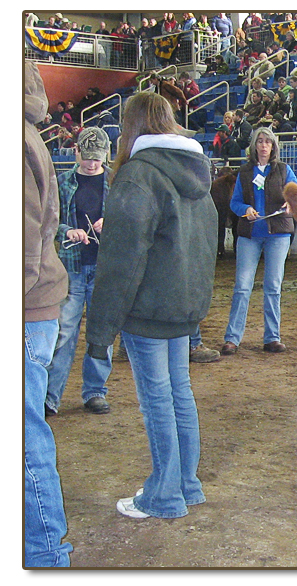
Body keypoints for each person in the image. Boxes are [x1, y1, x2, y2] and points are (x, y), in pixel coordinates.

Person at [84, 91, 216, 519]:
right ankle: (186, 485)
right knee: (179, 393)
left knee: (158, 399)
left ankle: (164, 496)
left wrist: (100, 332)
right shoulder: (196, 173)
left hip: (147, 310)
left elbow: (120, 262)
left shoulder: (138, 176)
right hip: (182, 308)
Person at [24, 61, 74, 567]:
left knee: (22, 434)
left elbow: (20, 245)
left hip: (25, 307)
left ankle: (43, 551)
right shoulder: (28, 137)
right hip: (35, 304)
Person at [44, 127, 113, 417]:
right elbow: (50, 221)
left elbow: (130, 222)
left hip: (104, 269)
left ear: (105, 155)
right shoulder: (63, 182)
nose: (92, 163)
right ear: (76, 152)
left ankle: (95, 391)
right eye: (87, 157)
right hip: (71, 268)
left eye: (96, 158)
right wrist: (67, 231)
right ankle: (50, 396)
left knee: (101, 334)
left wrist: (110, 222)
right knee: (63, 334)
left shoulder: (115, 183)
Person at [221, 127, 297, 355]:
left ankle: (272, 337)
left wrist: (291, 203)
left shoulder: (284, 170)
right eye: (260, 141)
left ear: (273, 146)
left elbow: (296, 194)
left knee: (273, 287)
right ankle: (232, 338)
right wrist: (245, 209)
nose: (264, 145)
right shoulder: (245, 172)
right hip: (250, 235)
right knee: (242, 287)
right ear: (254, 145)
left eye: (268, 142)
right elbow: (235, 202)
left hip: (278, 235)